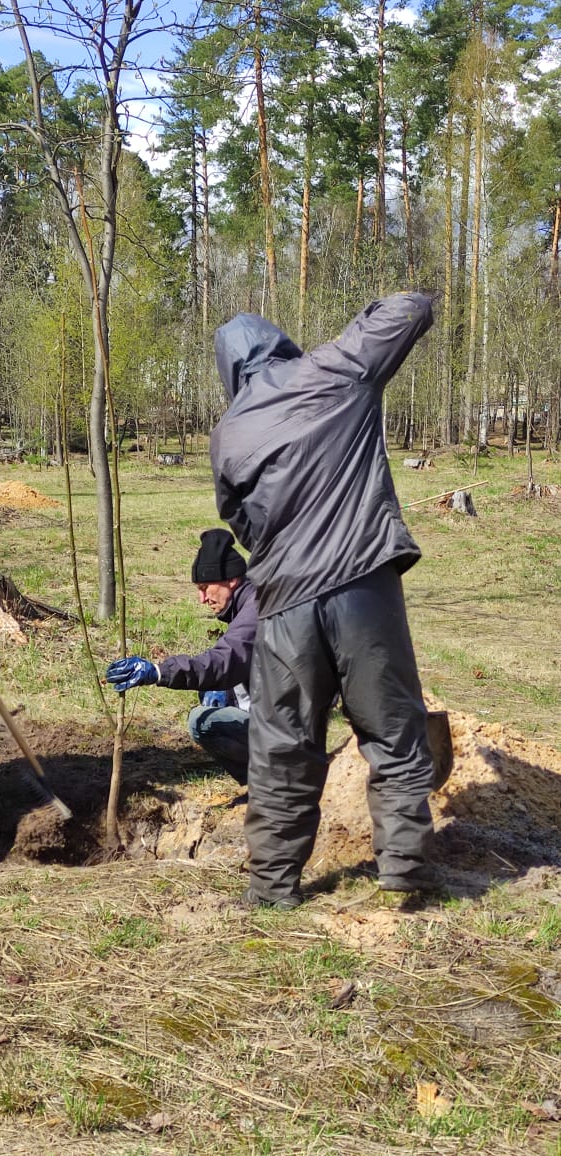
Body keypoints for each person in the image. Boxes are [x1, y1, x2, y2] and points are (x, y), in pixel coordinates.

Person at [211, 292, 438, 908]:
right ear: (280, 344)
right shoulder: (334, 370)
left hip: (283, 599)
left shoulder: (229, 430)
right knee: (391, 729)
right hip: (362, 583)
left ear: (229, 369)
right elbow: (410, 309)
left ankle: (271, 888)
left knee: (283, 742)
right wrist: (352, 335)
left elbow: (241, 522)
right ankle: (404, 876)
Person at [104, 528, 257, 786]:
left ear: (231, 580)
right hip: (283, 718)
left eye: (205, 587)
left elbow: (223, 660)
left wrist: (159, 671)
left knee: (202, 721)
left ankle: (269, 783)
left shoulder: (257, 611)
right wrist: (226, 691)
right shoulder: (251, 603)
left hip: (289, 729)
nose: (202, 599)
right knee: (211, 701)